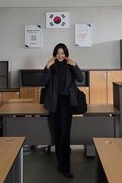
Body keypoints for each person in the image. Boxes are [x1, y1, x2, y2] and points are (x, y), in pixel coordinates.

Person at [41, 43, 84, 179]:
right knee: (58, 135)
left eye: (63, 53)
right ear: (55, 54)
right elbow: (43, 81)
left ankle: (65, 168)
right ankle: (61, 163)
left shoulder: (70, 66)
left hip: (66, 103)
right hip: (54, 104)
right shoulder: (52, 67)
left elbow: (81, 79)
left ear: (66, 54)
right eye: (58, 53)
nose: (60, 55)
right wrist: (47, 66)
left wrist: (75, 64)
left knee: (65, 135)